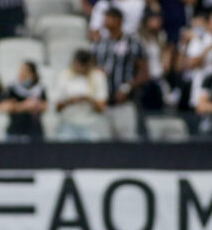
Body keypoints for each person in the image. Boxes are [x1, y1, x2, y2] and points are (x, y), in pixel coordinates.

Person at [91, 7, 148, 140]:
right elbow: (91, 67)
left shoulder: (133, 43)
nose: (105, 21)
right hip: (102, 103)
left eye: (109, 18)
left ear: (119, 20)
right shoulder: (98, 43)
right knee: (102, 142)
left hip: (125, 103)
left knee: (127, 140)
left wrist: (127, 87)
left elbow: (144, 72)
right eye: (105, 18)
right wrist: (97, 72)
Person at [54, 48, 109, 141]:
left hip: (90, 124)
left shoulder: (98, 76)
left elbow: (102, 107)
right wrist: (70, 101)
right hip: (68, 123)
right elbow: (57, 108)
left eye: (83, 66)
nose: (80, 69)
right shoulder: (64, 76)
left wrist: (89, 100)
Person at [2, 61, 47, 141]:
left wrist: (19, 106)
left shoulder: (39, 88)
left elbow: (44, 106)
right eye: (21, 70)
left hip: (34, 129)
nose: (22, 73)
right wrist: (26, 105)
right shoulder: (12, 87)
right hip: (15, 129)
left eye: (25, 70)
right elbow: (9, 107)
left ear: (33, 73)